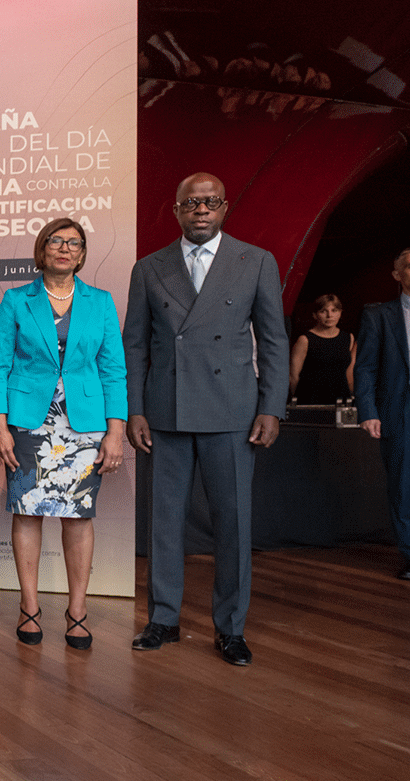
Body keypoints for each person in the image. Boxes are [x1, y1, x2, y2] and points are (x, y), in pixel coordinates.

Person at [124, 172, 288, 666]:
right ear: (176, 210)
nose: (201, 210)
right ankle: (163, 619)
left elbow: (274, 340)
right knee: (163, 523)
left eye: (210, 202)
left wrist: (271, 407)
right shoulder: (149, 268)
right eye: (192, 203)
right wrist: (135, 409)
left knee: (233, 523)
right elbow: (135, 345)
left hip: (232, 410)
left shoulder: (256, 261)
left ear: (224, 208)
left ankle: (231, 628)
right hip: (166, 410)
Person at [0, 218, 127, 650]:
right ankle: (29, 607)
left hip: (84, 424)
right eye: (56, 241)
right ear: (41, 249)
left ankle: (77, 610)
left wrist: (116, 432)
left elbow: (114, 371)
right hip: (28, 423)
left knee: (78, 516)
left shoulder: (101, 302)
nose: (65, 248)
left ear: (82, 254)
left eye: (74, 243)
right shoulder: (16, 300)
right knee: (27, 511)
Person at [353, 249, 410, 580]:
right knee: (404, 485)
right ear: (397, 275)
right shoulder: (378, 315)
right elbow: (365, 368)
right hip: (398, 411)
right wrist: (368, 411)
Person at [289, 293, 355, 404]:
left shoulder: (348, 338)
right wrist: (297, 403)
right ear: (315, 315)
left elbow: (348, 373)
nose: (329, 315)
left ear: (340, 313)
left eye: (334, 310)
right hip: (310, 399)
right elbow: (293, 376)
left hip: (340, 398)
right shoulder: (305, 339)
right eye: (323, 311)